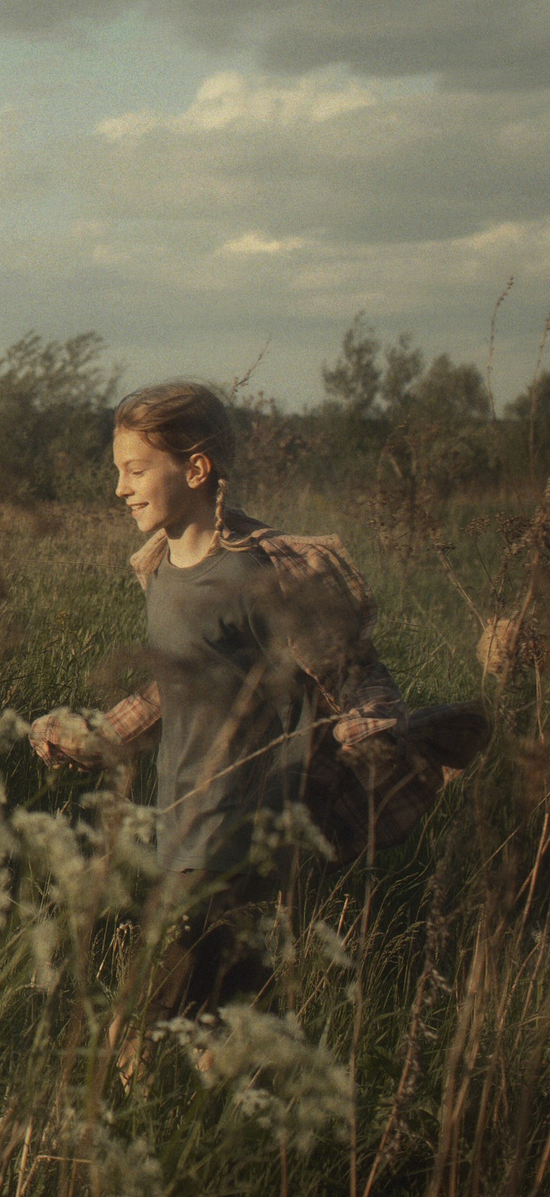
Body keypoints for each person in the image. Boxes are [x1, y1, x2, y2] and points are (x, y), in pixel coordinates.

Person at [27, 379, 461, 1019]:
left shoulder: (256, 575)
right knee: (226, 1021)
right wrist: (99, 737)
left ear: (197, 468)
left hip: (237, 830)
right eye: (118, 471)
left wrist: (372, 744)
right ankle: (246, 1103)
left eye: (136, 470)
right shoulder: (163, 567)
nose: (120, 488)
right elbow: (178, 684)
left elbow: (352, 672)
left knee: (140, 1018)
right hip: (182, 821)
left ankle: (131, 1103)